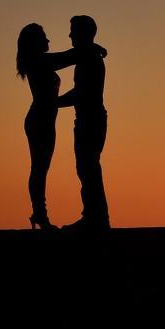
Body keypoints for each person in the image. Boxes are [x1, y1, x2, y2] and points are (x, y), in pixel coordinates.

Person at [15, 23, 105, 230]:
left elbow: (70, 56)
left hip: (45, 119)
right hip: (39, 120)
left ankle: (39, 214)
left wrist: (93, 48)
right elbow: (69, 56)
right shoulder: (39, 62)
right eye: (44, 37)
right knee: (39, 168)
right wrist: (94, 48)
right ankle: (40, 214)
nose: (48, 41)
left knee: (40, 167)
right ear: (36, 43)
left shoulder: (42, 61)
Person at [57, 15, 110, 232]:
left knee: (88, 168)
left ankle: (95, 219)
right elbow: (65, 57)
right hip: (90, 119)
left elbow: (82, 93)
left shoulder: (90, 58)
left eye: (73, 31)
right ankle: (95, 217)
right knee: (87, 168)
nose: (69, 35)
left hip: (91, 120)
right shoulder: (88, 55)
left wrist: (54, 102)